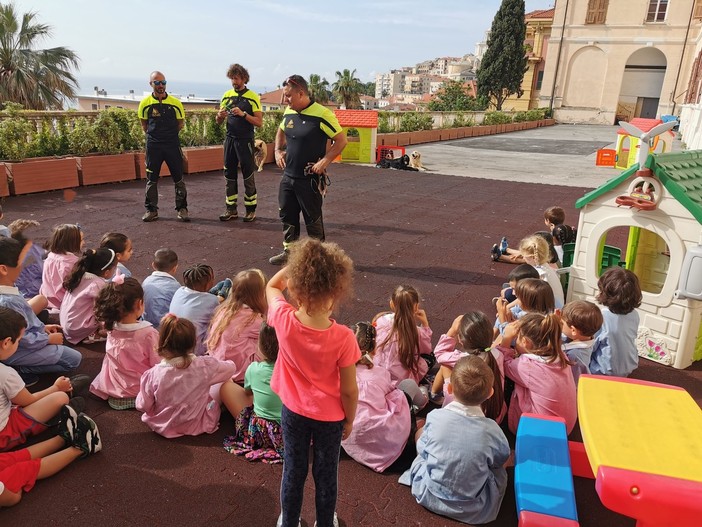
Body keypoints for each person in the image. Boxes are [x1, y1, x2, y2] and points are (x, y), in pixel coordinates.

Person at [266, 239, 359, 527]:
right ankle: (324, 522)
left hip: (293, 411)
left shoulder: (283, 319)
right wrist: (350, 419)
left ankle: (290, 521)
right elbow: (348, 389)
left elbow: (271, 287)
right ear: (336, 293)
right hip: (330, 417)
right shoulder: (344, 337)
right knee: (326, 472)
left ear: (296, 291)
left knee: (293, 469)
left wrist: (294, 267)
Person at [398, 356, 510, 525]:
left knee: (420, 435)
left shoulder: (435, 417)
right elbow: (500, 459)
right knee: (503, 465)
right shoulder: (493, 430)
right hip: (473, 508)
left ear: (449, 388)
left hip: (428, 494)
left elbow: (423, 449)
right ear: (490, 393)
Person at [269, 75, 348, 266]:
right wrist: (278, 150)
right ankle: (290, 252)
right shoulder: (289, 111)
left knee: (312, 219)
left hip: (309, 178)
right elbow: (281, 131)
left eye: (288, 96)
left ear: (301, 93)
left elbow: (341, 140)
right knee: (287, 214)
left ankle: (319, 257)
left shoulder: (322, 114)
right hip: (288, 177)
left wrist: (325, 161)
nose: (284, 100)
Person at [136, 314, 241, 438]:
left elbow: (142, 405)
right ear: (193, 342)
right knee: (225, 381)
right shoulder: (205, 366)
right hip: (196, 423)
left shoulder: (153, 374)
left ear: (162, 341)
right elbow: (231, 368)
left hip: (164, 424)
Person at [0, 237, 82, 385]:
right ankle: (19, 369)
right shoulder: (7, 301)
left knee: (40, 301)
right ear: (4, 269)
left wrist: (42, 328)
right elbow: (22, 337)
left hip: (21, 338)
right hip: (16, 348)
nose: (24, 266)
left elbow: (23, 320)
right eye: (20, 262)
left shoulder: (8, 290)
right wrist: (47, 339)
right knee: (74, 360)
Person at [341, 321, 417, 474]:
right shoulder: (378, 373)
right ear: (372, 348)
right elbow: (391, 390)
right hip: (383, 442)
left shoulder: (334, 371)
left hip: (349, 437)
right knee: (405, 393)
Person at [497, 313, 577, 435]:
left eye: (517, 338)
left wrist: (506, 339)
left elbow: (502, 363)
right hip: (564, 428)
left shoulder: (528, 366)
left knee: (504, 382)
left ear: (525, 342)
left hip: (539, 433)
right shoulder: (560, 355)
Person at [90, 277, 160, 410]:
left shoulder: (110, 326)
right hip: (138, 390)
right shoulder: (149, 333)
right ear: (140, 304)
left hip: (115, 385)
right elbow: (157, 363)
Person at [223, 322, 284, 463]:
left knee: (227, 387)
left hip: (260, 433)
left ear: (261, 346)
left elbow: (248, 392)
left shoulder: (254, 368)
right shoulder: (295, 370)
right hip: (291, 430)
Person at [432, 313, 505, 423]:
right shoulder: (498, 355)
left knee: (445, 366)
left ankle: (434, 394)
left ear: (460, 340)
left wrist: (452, 330)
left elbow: (439, 353)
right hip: (494, 414)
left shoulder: (461, 359)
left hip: (463, 417)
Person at [138, 70, 189, 223]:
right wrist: (156, 136)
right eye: (157, 82)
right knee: (151, 179)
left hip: (172, 145)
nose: (161, 85)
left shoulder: (175, 103)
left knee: (178, 178)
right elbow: (144, 125)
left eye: (163, 82)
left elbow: (180, 124)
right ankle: (151, 210)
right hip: (153, 146)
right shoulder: (145, 103)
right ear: (151, 84)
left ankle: (182, 208)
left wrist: (169, 135)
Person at [216, 64, 263, 223]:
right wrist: (220, 116)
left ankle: (250, 210)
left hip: (245, 140)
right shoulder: (226, 95)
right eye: (232, 79)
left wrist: (243, 115)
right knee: (229, 174)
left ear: (244, 78)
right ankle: (231, 209)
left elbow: (259, 122)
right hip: (230, 140)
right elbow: (218, 121)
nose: (234, 82)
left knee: (248, 174)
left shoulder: (252, 97)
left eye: (236, 78)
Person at [206, 269, 267, 383]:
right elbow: (276, 332)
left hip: (219, 364)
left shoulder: (225, 309)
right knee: (270, 344)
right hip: (238, 373)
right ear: (259, 294)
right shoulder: (252, 319)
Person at [373, 285, 433, 385]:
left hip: (378, 373)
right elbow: (426, 349)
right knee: (431, 357)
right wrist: (425, 325)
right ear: (416, 307)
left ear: (391, 304)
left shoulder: (379, 320)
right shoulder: (415, 332)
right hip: (400, 380)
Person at [590, 267, 642, 377]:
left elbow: (591, 345)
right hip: (628, 367)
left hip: (604, 370)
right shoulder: (634, 315)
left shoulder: (601, 316)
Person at [60, 248, 118, 345]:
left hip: (67, 323)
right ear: (106, 272)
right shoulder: (98, 284)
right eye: (114, 268)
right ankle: (92, 334)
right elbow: (100, 311)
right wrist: (106, 327)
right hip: (76, 328)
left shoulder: (79, 275)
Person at [169, 264, 220, 356]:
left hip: (173, 343)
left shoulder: (179, 291)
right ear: (209, 283)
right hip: (195, 350)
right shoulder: (212, 300)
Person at [40, 224, 83, 312]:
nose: (84, 242)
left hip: (46, 301)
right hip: (64, 305)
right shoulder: (73, 262)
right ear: (72, 242)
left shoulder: (50, 256)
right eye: (81, 240)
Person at [560, 300, 603, 386]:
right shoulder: (587, 339)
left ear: (573, 330)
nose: (560, 325)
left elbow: (573, 381)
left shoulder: (574, 355)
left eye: (562, 323)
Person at [518, 235, 564, 308]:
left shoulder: (538, 274)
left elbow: (527, 296)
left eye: (524, 256)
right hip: (557, 305)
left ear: (532, 257)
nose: (523, 258)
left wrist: (507, 307)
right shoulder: (547, 268)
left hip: (548, 309)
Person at [142, 249, 180, 328]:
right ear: (175, 268)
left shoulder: (146, 281)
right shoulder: (176, 286)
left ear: (153, 265)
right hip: (164, 327)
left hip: (145, 323)